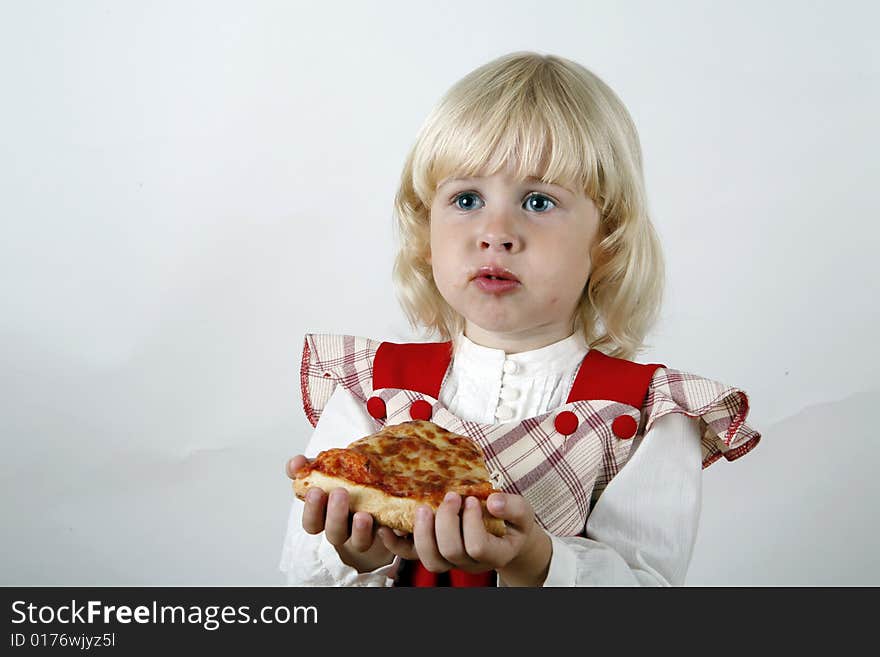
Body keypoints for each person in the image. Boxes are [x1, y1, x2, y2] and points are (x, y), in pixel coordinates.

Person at [278, 51, 761, 587]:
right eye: (466, 198)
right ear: (425, 233)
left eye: (538, 201)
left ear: (607, 240)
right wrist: (357, 555)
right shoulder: (369, 388)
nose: (496, 231)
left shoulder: (648, 416)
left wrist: (537, 562)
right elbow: (303, 580)